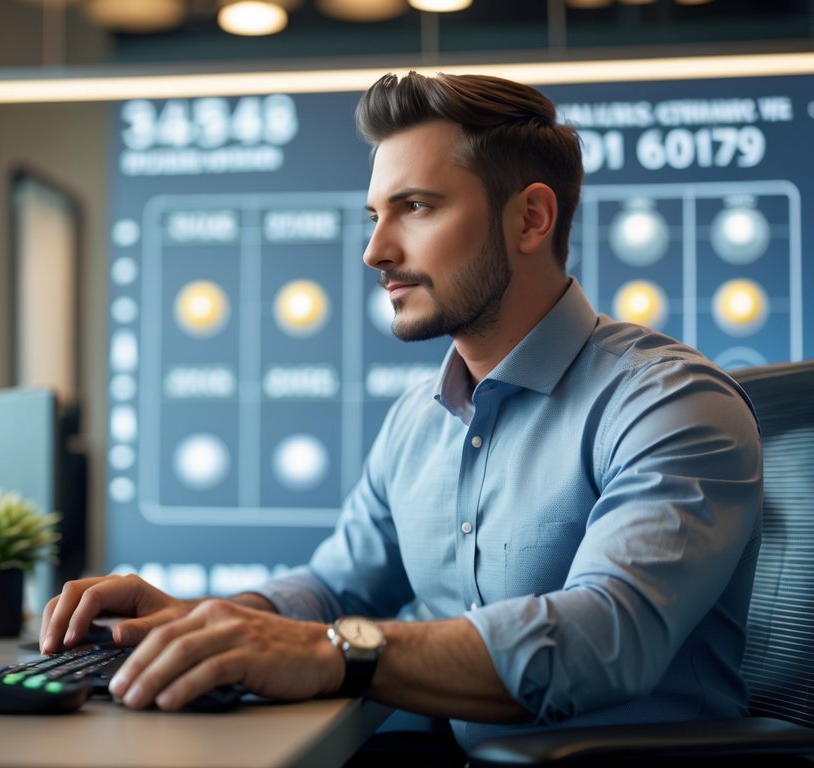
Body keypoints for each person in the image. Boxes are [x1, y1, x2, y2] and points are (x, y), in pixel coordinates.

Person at [40, 71, 763, 756]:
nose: (375, 251)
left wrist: (335, 654)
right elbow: (335, 588)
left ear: (531, 218)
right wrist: (204, 621)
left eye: (415, 207)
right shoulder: (420, 418)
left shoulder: (668, 401)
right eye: (375, 215)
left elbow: (606, 639)